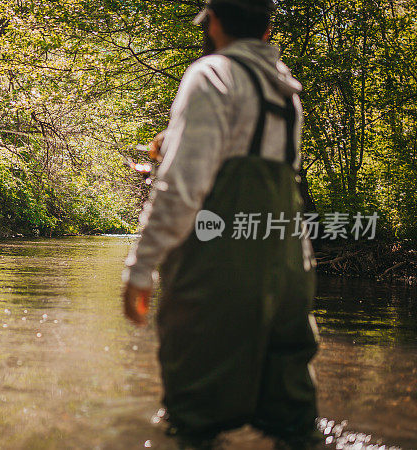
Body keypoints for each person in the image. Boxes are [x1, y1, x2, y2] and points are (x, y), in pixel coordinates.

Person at [122, 0, 320, 446]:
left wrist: (140, 268)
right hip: (288, 267)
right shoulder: (287, 91)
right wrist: (173, 139)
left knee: (194, 419)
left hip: (217, 269)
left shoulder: (210, 75)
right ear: (268, 29)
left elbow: (180, 190)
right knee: (294, 422)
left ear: (212, 22)